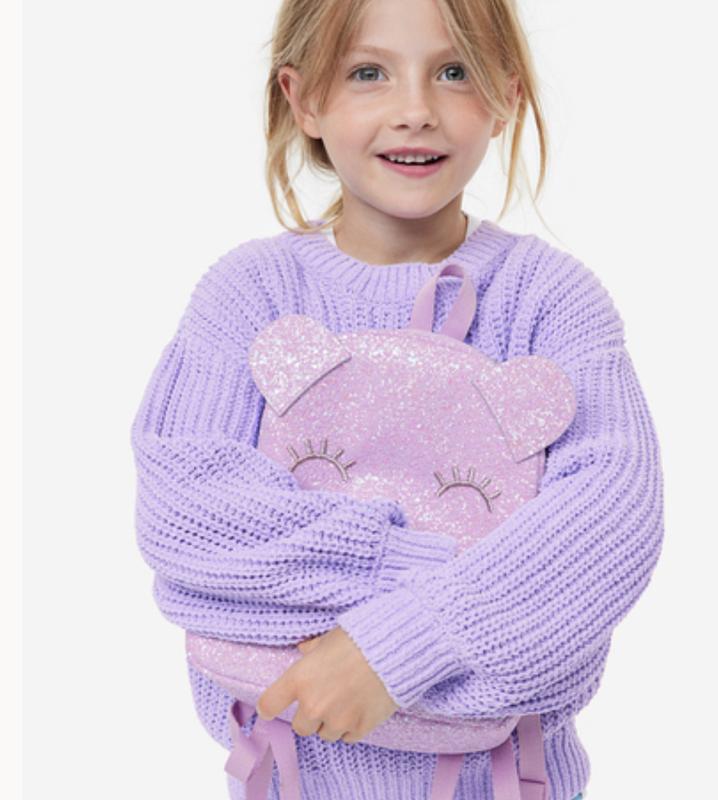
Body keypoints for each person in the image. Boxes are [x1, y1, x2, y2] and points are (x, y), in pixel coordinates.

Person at [129, 0, 664, 798]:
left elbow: (607, 522)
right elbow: (189, 516)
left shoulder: (550, 300)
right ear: (303, 99)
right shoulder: (249, 293)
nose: (415, 110)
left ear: (506, 95)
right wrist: (428, 569)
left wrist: (393, 650)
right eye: (367, 73)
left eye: (453, 72)